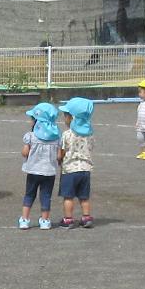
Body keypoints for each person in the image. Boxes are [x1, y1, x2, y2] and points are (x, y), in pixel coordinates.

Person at [18, 102, 61, 231]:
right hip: (49, 172)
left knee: (29, 194)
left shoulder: (30, 136)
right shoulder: (57, 138)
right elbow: (59, 156)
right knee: (46, 196)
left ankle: (25, 219)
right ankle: (45, 220)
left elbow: (25, 152)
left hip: (33, 171)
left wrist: (27, 152)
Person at [57, 96, 95, 229]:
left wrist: (59, 159)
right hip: (85, 169)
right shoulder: (90, 134)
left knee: (68, 197)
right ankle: (86, 217)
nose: (64, 118)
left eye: (66, 116)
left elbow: (62, 151)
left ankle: (68, 219)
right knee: (84, 197)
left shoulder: (67, 134)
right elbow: (91, 148)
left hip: (70, 170)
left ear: (72, 118)